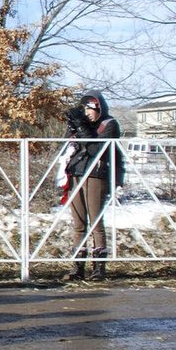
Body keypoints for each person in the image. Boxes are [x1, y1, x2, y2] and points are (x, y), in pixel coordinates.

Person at [62, 91, 122, 282]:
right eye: (85, 109)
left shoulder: (109, 124)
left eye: (91, 109)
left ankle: (98, 268)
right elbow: (68, 146)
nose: (87, 113)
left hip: (96, 175)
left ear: (100, 108)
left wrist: (82, 127)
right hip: (76, 174)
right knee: (78, 223)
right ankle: (78, 266)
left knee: (96, 222)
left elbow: (98, 149)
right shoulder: (84, 125)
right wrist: (74, 126)